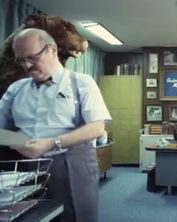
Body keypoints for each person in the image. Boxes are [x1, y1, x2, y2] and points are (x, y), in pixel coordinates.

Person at [0, 28, 111, 222]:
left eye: (32, 58)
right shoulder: (16, 89)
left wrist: (51, 143)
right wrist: (14, 141)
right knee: (29, 216)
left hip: (71, 164)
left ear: (52, 49)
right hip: (24, 167)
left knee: (74, 216)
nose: (26, 65)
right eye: (21, 60)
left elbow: (96, 128)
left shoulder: (81, 83)